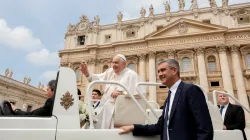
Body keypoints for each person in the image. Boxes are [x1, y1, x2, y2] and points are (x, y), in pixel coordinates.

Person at [120, 59, 213, 140]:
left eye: (163, 70)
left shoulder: (191, 90)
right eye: (158, 71)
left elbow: (205, 128)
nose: (160, 74)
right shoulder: (169, 98)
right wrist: (134, 127)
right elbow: (160, 127)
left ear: (174, 70)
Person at [80, 54, 145, 129]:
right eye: (113, 62)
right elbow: (97, 77)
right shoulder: (110, 72)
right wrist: (86, 73)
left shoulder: (131, 75)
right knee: (90, 121)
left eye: (116, 63)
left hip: (118, 108)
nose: (114, 65)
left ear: (124, 64)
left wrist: (122, 93)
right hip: (104, 105)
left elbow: (139, 93)